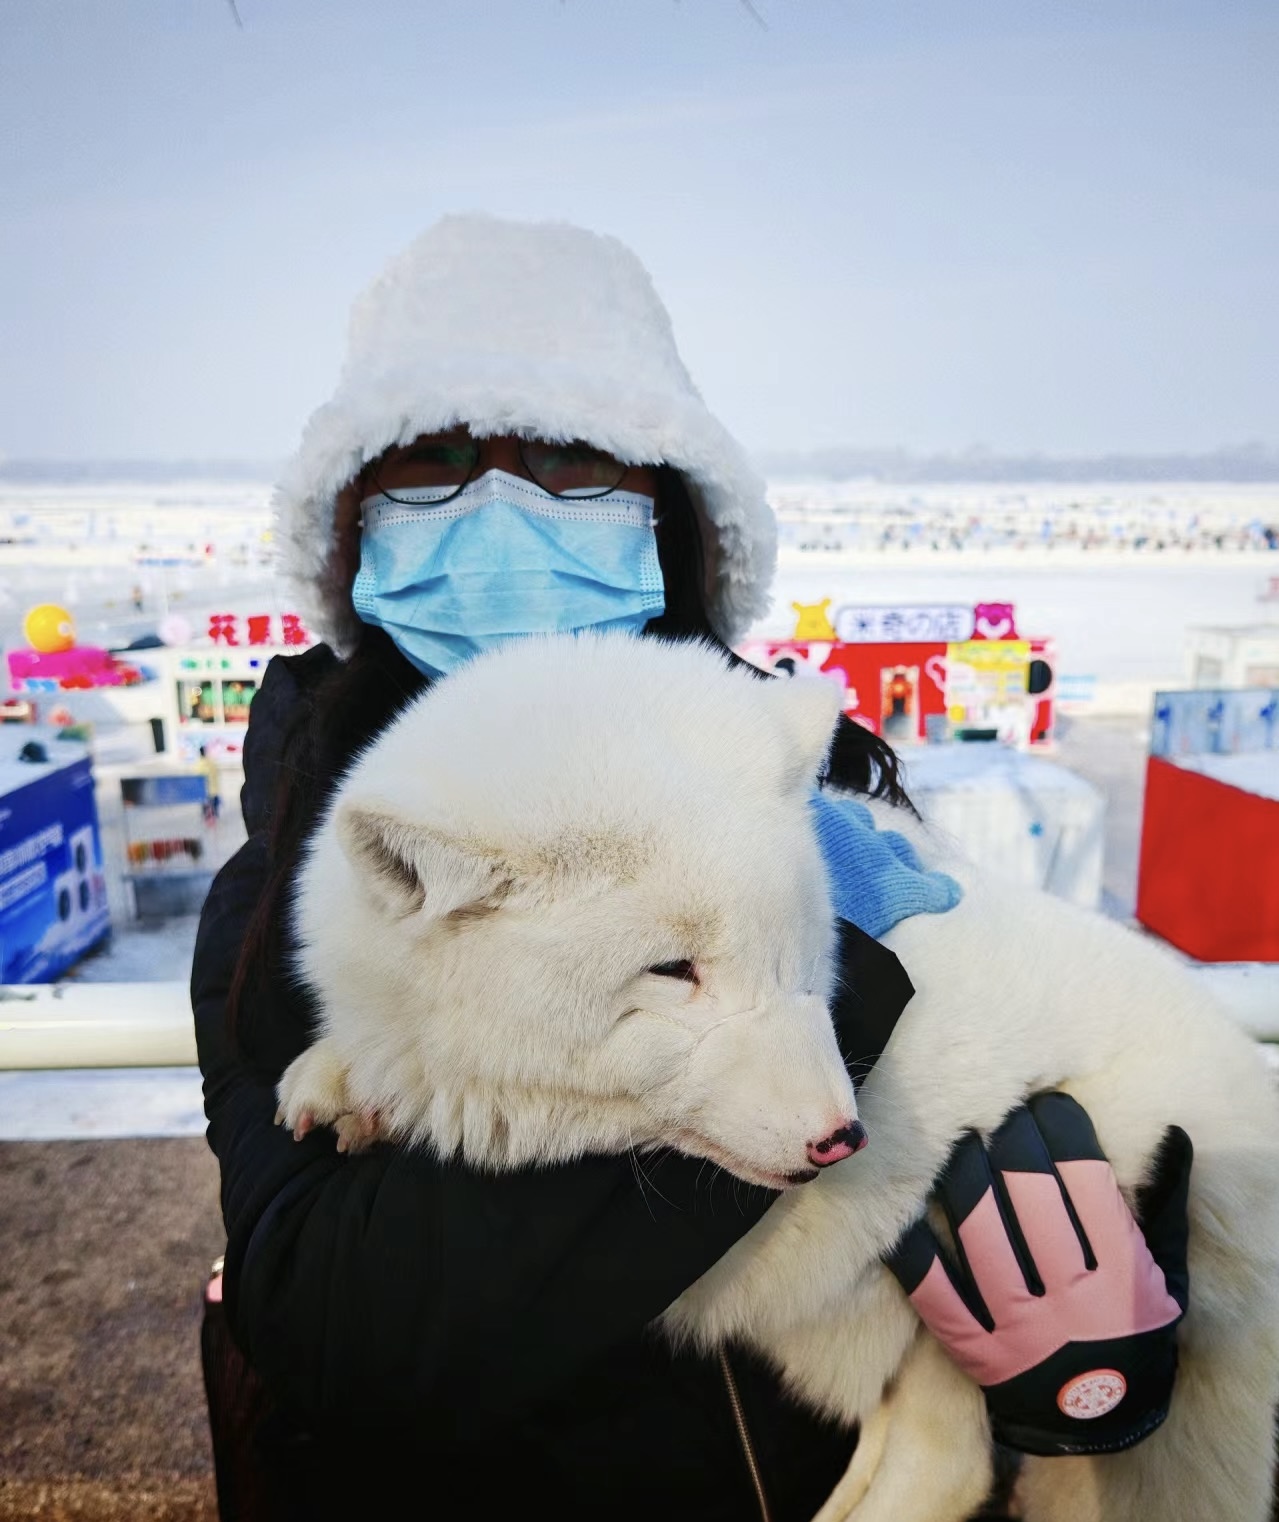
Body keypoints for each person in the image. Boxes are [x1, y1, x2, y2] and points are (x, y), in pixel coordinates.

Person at [193, 215, 1188, 1522]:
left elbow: (1026, 1074)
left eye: (568, 458)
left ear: (667, 510)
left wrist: (1122, 1272)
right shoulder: (303, 897)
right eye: (430, 463)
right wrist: (814, 991)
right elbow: (343, 1323)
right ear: (353, 531)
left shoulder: (821, 789)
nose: (501, 512)